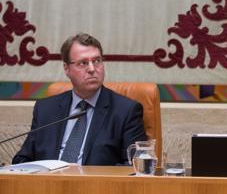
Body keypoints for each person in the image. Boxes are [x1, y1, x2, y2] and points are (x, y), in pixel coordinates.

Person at [13, 33, 147, 165]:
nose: (92, 69)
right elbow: (22, 160)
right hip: (49, 184)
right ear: (66, 68)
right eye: (83, 63)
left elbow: (134, 167)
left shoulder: (126, 111)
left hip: (97, 185)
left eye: (96, 61)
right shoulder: (46, 109)